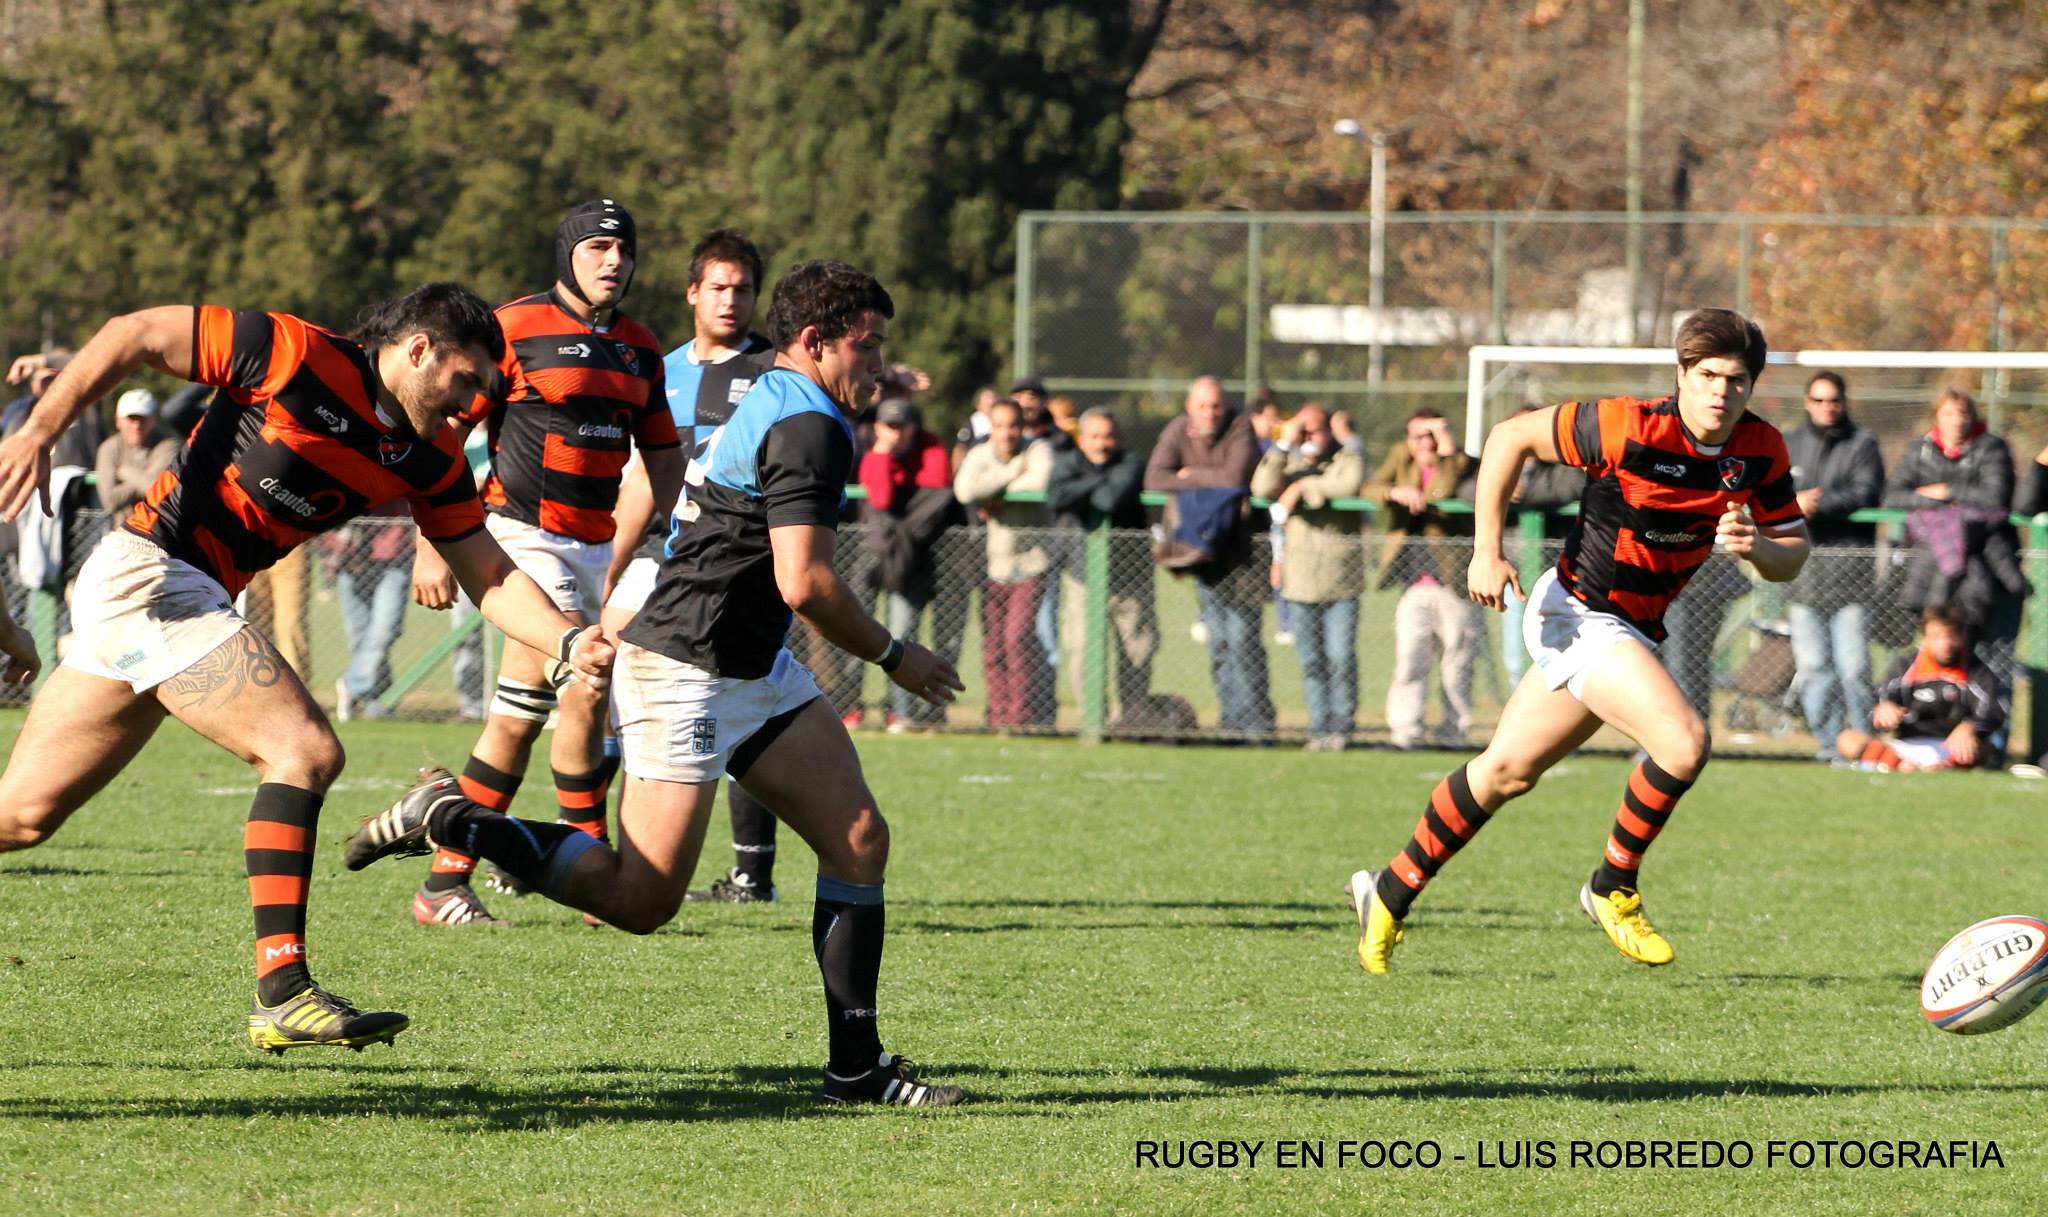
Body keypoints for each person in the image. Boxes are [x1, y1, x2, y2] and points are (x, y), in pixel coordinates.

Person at [344, 259, 970, 1107]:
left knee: (859, 835)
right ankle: (451, 817)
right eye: (870, 345)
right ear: (817, 342)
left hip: (750, 665)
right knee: (640, 899)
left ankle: (856, 1068)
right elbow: (806, 584)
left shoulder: (784, 399)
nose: (881, 365)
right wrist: (901, 657)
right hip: (688, 668)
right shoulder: (810, 424)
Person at [0, 285, 616, 1052]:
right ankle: (282, 991)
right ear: (418, 349)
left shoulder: (432, 454)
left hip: (178, 595)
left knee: (19, 818)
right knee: (304, 750)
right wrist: (39, 431)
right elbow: (132, 332)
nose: (472, 402)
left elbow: (487, 573)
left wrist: (565, 640)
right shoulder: (293, 353)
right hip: (152, 573)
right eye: (464, 380)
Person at [1345, 308, 1808, 975]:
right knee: (1683, 740)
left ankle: (1387, 890)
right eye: (1706, 375)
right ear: (1682, 373)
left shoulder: (1759, 450)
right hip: (1579, 612)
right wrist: (1486, 551)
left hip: (1629, 629)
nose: (1720, 391)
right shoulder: (1629, 423)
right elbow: (1508, 438)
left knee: (1506, 772)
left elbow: (1793, 552)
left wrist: (1759, 547)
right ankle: (1612, 885)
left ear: (1751, 386)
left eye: (1736, 380)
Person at [406, 200, 682, 928]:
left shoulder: (642, 349)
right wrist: (431, 543)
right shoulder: (511, 329)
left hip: (594, 550)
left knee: (517, 719)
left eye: (623, 248)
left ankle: (444, 875)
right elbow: (439, 434)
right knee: (588, 679)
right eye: (597, 246)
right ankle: (592, 860)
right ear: (567, 254)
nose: (614, 260)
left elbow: (661, 460)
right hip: (520, 540)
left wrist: (681, 537)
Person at [604, 226, 784, 904]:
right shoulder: (659, 368)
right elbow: (642, 474)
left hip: (734, 563)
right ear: (692, 293)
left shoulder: (771, 371)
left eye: (743, 290)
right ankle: (595, 838)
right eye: (719, 288)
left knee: (741, 698)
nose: (731, 301)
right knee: (601, 675)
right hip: (660, 552)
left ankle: (750, 874)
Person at [1145, 376, 1273, 739]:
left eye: (1216, 405)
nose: (1210, 413)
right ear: (1189, 407)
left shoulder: (1240, 427)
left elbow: (1235, 477)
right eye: (1202, 406)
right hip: (1203, 555)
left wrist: (1188, 475)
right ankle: (1231, 721)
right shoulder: (1176, 431)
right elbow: (1154, 478)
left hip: (1244, 554)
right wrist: (1204, 480)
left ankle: (1256, 724)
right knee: (1218, 642)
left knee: (1243, 639)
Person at [1250, 404, 1366, 750]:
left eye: (1315, 430)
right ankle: (1319, 729)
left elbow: (1348, 485)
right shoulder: (1289, 463)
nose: (1310, 438)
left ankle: (1342, 729)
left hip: (1341, 581)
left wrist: (1302, 490)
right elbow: (1261, 487)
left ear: (1329, 431)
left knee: (1340, 658)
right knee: (1312, 662)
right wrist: (1284, 446)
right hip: (1299, 583)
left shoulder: (1346, 459)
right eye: (1304, 431)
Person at [1783, 372, 1884, 759]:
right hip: (1803, 576)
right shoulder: (1789, 443)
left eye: (1834, 400)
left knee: (1854, 668)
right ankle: (1829, 745)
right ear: (1807, 402)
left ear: (1845, 402)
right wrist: (1796, 503)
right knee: (1813, 669)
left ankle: (1864, 744)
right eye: (1820, 400)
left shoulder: (1863, 443)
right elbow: (1770, 491)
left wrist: (1815, 505)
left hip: (1852, 579)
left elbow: (1865, 490)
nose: (1828, 407)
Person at [1364, 409, 1479, 750]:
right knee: (1410, 660)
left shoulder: (1464, 464)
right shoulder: (1401, 460)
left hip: (1455, 583)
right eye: (1418, 436)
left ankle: (1453, 734)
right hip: (1414, 583)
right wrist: (1392, 492)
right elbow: (1368, 486)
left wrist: (1447, 452)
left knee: (1456, 665)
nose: (1425, 443)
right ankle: (1405, 732)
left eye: (1433, 435)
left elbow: (1441, 493)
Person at [1046, 407, 1157, 730]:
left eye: (1108, 436)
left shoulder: (1131, 462)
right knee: (1080, 650)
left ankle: (1129, 721)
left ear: (1118, 438)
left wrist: (1083, 488)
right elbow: (1055, 496)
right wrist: (1097, 480)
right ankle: (1095, 718)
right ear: (1082, 439)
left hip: (1130, 578)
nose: (1102, 443)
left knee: (1137, 652)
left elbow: (1110, 500)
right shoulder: (1068, 462)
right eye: (1094, 436)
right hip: (1083, 576)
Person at [860, 397, 961, 731]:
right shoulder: (875, 453)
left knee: (914, 635)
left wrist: (899, 527)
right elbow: (882, 498)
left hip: (922, 557)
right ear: (878, 428)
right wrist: (882, 454)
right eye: (890, 426)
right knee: (873, 632)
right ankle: (877, 710)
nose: (897, 433)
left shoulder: (930, 446)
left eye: (902, 426)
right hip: (878, 553)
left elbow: (937, 491)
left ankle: (916, 713)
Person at [953, 397, 1054, 728]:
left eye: (1013, 425)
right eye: (999, 426)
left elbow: (1040, 482)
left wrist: (995, 492)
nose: (1007, 433)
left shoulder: (1038, 449)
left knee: (1017, 638)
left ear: (1022, 426)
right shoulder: (982, 454)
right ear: (990, 428)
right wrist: (1010, 474)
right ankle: (998, 717)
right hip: (994, 567)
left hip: (1032, 564)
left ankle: (1021, 717)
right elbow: (966, 490)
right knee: (993, 646)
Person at [1836, 606, 2004, 771]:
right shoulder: (1906, 667)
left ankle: (1930, 765)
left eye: (1951, 636)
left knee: (1985, 749)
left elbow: (1994, 711)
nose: (1945, 644)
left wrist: (1970, 728)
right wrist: (1883, 708)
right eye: (1936, 637)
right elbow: (1881, 698)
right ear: (1924, 638)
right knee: (1847, 740)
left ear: (1961, 637)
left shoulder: (1975, 670)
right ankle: (1903, 764)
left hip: (1952, 746)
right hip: (1906, 746)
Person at [1501, 406, 1586, 685]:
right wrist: (1501, 483)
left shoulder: (1562, 465)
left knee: (1565, 648)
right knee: (1516, 651)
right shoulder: (1498, 464)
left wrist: (1515, 491)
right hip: (1516, 574)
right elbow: (1469, 486)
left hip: (1556, 574)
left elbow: (1567, 487)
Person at [324, 505, 414, 722]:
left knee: (386, 628)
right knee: (360, 636)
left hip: (394, 554)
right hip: (350, 558)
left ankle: (352, 683)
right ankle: (375, 702)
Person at [94, 389, 180, 514]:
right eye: (131, 418)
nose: (136, 426)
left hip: (162, 524)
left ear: (153, 420)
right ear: (118, 421)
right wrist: (145, 477)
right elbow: (109, 501)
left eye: (142, 418)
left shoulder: (168, 445)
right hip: (122, 527)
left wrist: (125, 472)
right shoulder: (109, 448)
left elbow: (157, 490)